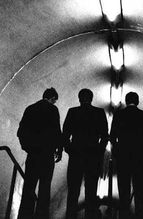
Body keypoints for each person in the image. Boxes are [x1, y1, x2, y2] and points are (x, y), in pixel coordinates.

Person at [17, 87, 62, 219]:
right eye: (55, 101)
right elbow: (56, 131)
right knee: (44, 188)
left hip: (33, 155)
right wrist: (58, 150)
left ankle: (24, 215)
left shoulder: (30, 109)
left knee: (29, 187)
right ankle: (41, 216)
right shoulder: (53, 110)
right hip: (47, 155)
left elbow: (21, 132)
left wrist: (28, 148)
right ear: (53, 98)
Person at [63, 88, 108, 219]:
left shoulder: (73, 112)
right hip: (93, 156)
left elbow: (65, 133)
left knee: (73, 190)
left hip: (76, 155)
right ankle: (90, 215)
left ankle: (70, 216)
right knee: (91, 190)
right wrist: (99, 150)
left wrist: (69, 149)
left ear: (79, 98)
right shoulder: (99, 112)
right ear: (91, 98)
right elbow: (105, 135)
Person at [110, 92, 143, 219]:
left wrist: (117, 153)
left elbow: (112, 137)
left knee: (123, 193)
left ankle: (124, 216)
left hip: (123, 158)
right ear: (138, 101)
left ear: (125, 101)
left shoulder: (119, 114)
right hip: (139, 159)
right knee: (140, 193)